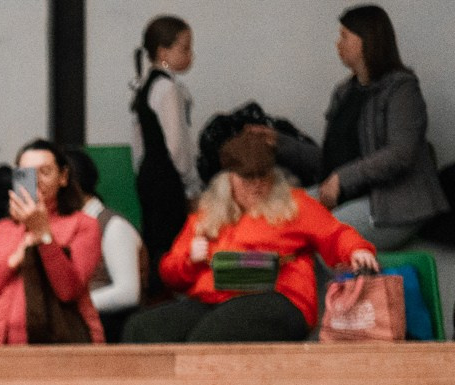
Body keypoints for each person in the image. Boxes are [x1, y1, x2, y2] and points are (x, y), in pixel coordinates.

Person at [127, 126, 377, 344]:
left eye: (263, 176)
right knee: (141, 330)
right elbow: (170, 274)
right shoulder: (206, 217)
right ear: (229, 179)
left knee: (210, 337)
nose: (257, 184)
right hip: (214, 299)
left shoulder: (295, 206)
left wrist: (357, 249)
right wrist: (190, 260)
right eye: (248, 177)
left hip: (280, 299)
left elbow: (335, 234)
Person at [274, 5, 449, 250]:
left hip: (395, 205)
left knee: (324, 233)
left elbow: (401, 153)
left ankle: (336, 289)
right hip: (353, 195)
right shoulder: (344, 92)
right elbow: (330, 161)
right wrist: (278, 143)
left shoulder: (402, 90)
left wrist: (342, 179)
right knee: (280, 217)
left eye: (344, 36)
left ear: (367, 39)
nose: (338, 44)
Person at [0, 139, 105, 345]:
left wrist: (44, 236)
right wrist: (13, 260)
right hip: (2, 346)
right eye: (26, 174)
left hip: (65, 344)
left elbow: (69, 291)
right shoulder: (3, 230)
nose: (36, 180)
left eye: (45, 171)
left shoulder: (83, 225)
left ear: (63, 177)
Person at [130, 15, 200, 292]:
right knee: (172, 243)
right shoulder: (169, 89)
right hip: (168, 178)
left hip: (148, 175)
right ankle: (169, 295)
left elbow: (137, 142)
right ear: (163, 53)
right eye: (184, 48)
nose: (191, 55)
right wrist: (192, 188)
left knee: (155, 240)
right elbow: (178, 145)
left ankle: (156, 293)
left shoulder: (144, 86)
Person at [63, 147, 147, 344]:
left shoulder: (113, 225)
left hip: (110, 324)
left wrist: (71, 307)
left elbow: (128, 293)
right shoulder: (66, 226)